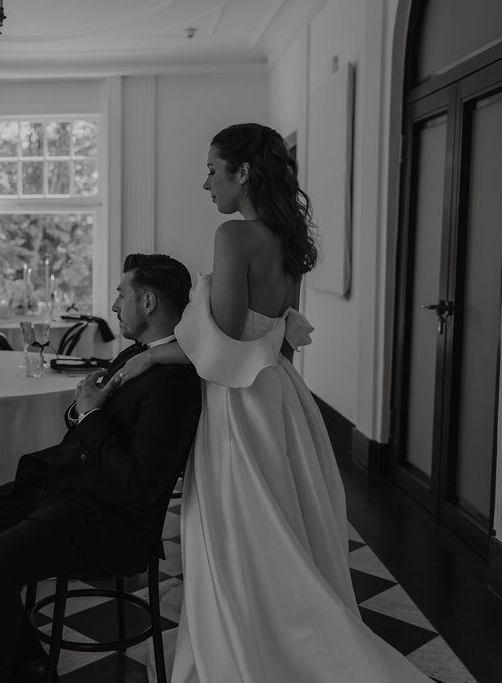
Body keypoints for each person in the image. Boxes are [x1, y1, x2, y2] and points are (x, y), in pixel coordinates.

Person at [114, 123, 431, 682]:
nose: (206, 183)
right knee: (280, 526)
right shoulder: (287, 239)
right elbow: (279, 340)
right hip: (281, 397)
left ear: (243, 172)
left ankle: (248, 649)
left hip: (238, 404)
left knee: (239, 532)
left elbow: (223, 339)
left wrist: (148, 358)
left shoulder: (234, 236)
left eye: (213, 170)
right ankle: (280, 639)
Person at [0, 254, 202, 683]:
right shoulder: (136, 354)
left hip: (108, 520)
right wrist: (84, 409)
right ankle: (25, 656)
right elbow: (87, 420)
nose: (114, 306)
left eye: (121, 294)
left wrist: (92, 415)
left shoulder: (173, 383)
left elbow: (138, 486)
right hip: (68, 487)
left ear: (149, 302)